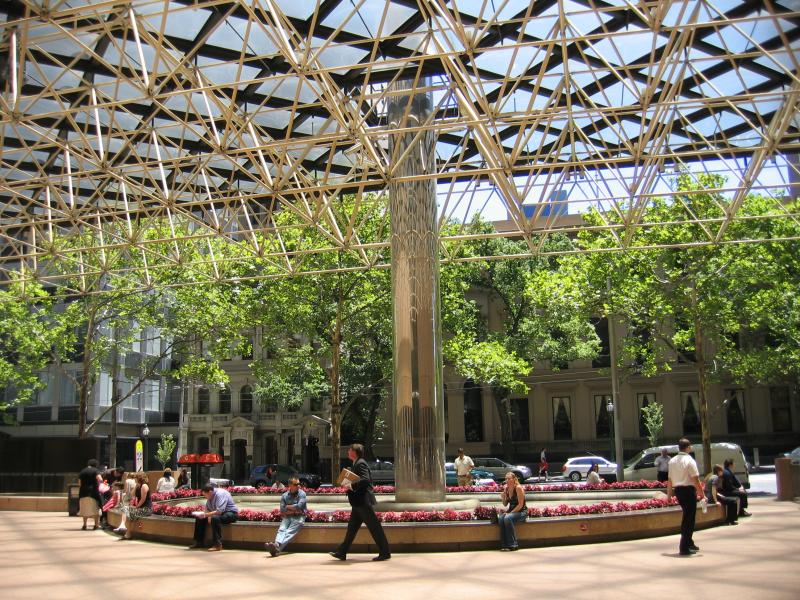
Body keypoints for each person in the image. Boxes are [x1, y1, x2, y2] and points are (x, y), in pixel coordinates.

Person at [329, 443, 391, 562]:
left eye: (350, 450)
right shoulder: (356, 463)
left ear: (354, 452)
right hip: (358, 502)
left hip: (363, 502)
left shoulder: (360, 463)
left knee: (374, 527)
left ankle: (385, 552)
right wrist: (349, 486)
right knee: (352, 528)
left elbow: (365, 479)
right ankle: (342, 552)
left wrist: (350, 485)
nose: (348, 451)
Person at [667, 438, 704, 556]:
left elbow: (670, 480)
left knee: (687, 516)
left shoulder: (672, 461)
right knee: (689, 519)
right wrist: (702, 494)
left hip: (678, 491)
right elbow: (696, 479)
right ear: (688, 447)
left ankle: (689, 542)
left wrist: (669, 495)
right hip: (688, 491)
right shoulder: (689, 460)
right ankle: (683, 547)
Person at [190, 483, 239, 551]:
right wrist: (206, 515)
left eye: (205, 495)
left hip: (231, 513)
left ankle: (217, 545)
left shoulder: (220, 494)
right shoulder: (210, 495)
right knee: (199, 518)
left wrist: (207, 515)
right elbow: (207, 509)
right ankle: (199, 542)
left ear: (210, 492)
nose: (205, 497)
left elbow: (219, 511)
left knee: (215, 519)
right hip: (219, 514)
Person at [265, 477, 307, 557]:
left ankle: (276, 546)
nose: (299, 485)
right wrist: (293, 510)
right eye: (296, 484)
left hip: (299, 517)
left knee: (289, 532)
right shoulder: (284, 496)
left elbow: (299, 506)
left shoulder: (302, 494)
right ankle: (276, 546)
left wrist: (288, 506)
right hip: (287, 516)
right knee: (282, 529)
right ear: (290, 485)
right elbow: (282, 510)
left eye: (299, 484)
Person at [498, 472, 527, 551]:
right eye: (506, 479)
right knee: (501, 518)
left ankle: (513, 544)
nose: (506, 480)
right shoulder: (506, 489)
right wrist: (503, 497)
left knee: (507, 518)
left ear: (514, 479)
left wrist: (510, 513)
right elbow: (505, 504)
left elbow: (520, 505)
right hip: (512, 511)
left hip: (521, 512)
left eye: (509, 479)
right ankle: (504, 545)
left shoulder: (518, 488)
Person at [120, 471, 152, 540]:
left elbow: (143, 499)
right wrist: (135, 486)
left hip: (146, 509)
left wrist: (136, 507)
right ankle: (125, 529)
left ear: (139, 478)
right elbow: (132, 494)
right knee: (125, 509)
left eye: (135, 477)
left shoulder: (144, 486)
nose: (134, 479)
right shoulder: (138, 486)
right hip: (140, 507)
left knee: (129, 513)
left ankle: (127, 533)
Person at [77, 458, 103, 530]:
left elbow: (79, 483)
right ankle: (96, 525)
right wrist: (99, 484)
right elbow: (100, 479)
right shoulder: (96, 470)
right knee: (95, 509)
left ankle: (84, 525)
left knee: (84, 509)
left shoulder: (82, 471)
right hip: (93, 493)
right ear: (95, 465)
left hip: (83, 492)